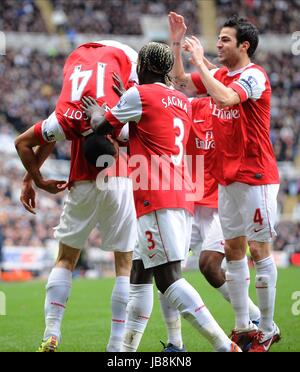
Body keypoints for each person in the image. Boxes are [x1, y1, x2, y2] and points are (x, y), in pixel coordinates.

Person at [81, 41, 241, 352]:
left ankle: (225, 347)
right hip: (181, 195)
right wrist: (123, 103)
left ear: (144, 65)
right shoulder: (180, 99)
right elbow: (137, 134)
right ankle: (122, 352)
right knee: (140, 273)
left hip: (155, 194)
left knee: (168, 280)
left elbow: (102, 127)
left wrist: (96, 110)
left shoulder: (138, 95)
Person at [15, 40, 138, 352]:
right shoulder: (120, 107)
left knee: (66, 259)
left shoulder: (67, 113)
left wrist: (36, 179)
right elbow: (139, 132)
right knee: (124, 265)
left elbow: (28, 142)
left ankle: (52, 332)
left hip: (80, 180)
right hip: (119, 180)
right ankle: (115, 347)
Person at [168, 12, 280, 352]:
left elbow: (227, 98)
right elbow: (179, 82)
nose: (218, 43)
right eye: (217, 39)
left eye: (225, 39)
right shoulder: (218, 73)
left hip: (256, 175)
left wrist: (201, 61)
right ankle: (243, 325)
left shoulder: (254, 76)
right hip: (227, 179)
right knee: (233, 251)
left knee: (259, 250)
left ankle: (268, 327)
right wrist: (176, 44)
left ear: (244, 46)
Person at [159, 96, 260, 352]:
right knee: (167, 271)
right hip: (189, 203)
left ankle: (253, 316)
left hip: (221, 202)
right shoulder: (188, 105)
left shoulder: (233, 108)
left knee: (208, 264)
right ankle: (175, 343)